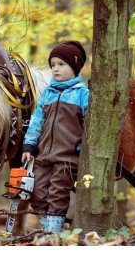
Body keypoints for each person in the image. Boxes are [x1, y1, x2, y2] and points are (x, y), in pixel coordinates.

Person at [22, 40, 89, 233]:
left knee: (57, 194)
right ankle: (46, 230)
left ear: (75, 66)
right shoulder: (47, 94)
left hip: (66, 157)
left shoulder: (82, 94)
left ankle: (54, 235)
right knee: (37, 192)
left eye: (61, 64)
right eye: (52, 65)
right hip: (43, 156)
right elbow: (36, 122)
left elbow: (88, 127)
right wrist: (29, 147)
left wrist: (81, 150)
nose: (55, 69)